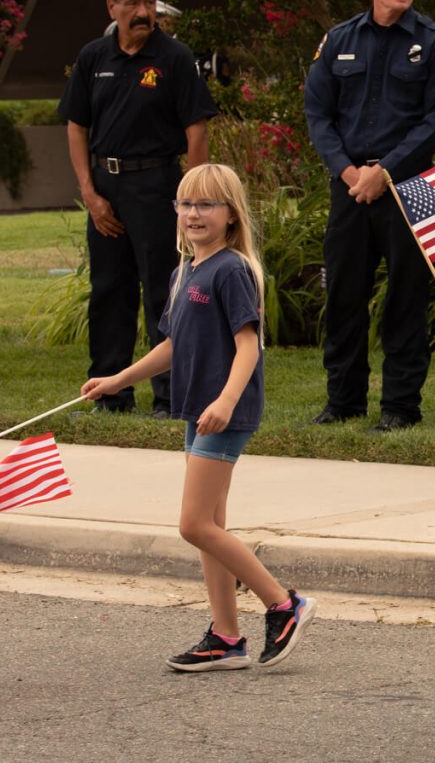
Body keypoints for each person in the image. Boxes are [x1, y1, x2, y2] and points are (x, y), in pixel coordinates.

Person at [80, 164, 317, 671]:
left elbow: (249, 347)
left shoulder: (231, 269)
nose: (193, 214)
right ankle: (227, 637)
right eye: (186, 204)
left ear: (231, 215)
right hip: (199, 410)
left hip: (223, 412)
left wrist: (227, 401)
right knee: (211, 524)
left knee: (192, 524)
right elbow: (172, 345)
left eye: (207, 205)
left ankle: (283, 603)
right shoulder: (185, 269)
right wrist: (118, 380)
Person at [304, 0, 435, 433]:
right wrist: (349, 172)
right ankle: (343, 401)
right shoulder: (339, 40)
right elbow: (318, 112)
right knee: (344, 295)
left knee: (406, 298)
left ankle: (400, 406)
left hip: (412, 184)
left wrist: (385, 171)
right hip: (349, 187)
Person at [60, 0, 217, 418]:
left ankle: (170, 397)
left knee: (163, 291)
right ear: (112, 7)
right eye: (132, 4)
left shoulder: (174, 57)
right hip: (105, 188)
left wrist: (194, 198)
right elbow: (76, 126)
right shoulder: (93, 58)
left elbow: (196, 129)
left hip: (158, 186)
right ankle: (110, 395)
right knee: (109, 288)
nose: (143, 12)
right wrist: (90, 194)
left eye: (149, 3)